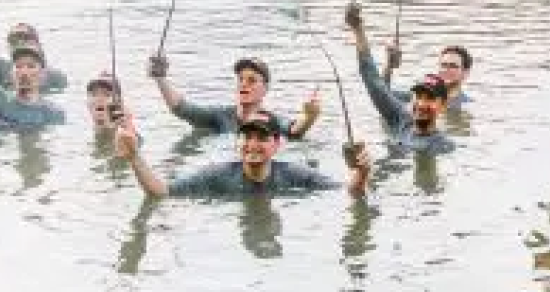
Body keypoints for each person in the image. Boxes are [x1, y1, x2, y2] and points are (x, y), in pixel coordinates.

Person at [116, 110, 370, 198]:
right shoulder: (216, 175)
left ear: (276, 144)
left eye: (261, 138)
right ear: (238, 143)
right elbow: (161, 192)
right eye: (247, 137)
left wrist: (361, 171)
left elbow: (348, 192)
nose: (253, 144)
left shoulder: (295, 174)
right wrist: (134, 157)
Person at [346, 3, 456, 153]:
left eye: (430, 99)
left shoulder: (444, 147)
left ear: (442, 106)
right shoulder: (401, 119)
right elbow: (373, 82)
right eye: (419, 97)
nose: (422, 104)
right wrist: (358, 29)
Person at [147, 53, 319, 139]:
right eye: (241, 79)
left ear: (265, 89)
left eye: (252, 80)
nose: (244, 84)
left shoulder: (271, 120)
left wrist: (310, 116)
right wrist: (160, 79)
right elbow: (181, 108)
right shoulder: (220, 115)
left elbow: (294, 130)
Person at [386, 40, 474, 110]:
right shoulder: (419, 96)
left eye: (453, 66)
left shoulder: (468, 106)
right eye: (443, 65)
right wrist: (389, 66)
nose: (446, 70)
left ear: (465, 73)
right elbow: (383, 93)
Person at [0, 42, 67, 127]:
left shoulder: (53, 113)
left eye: (31, 66)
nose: (24, 72)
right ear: (11, 73)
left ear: (43, 74)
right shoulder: (3, 101)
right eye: (18, 66)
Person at [0, 23, 68, 93]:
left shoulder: (55, 77)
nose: (19, 43)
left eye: (25, 38)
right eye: (13, 40)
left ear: (37, 44)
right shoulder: (3, 68)